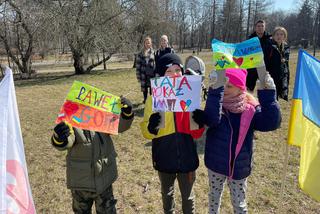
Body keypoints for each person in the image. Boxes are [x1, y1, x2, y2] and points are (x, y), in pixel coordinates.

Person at [192, 67, 281, 213]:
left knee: (239, 203)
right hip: (216, 165)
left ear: (240, 88)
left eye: (229, 86)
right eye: (223, 84)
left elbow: (271, 122)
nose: (224, 89)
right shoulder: (216, 107)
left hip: (239, 167)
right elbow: (212, 120)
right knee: (214, 197)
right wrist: (215, 89)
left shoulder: (251, 109)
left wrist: (269, 93)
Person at [140, 53, 205, 214]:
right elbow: (146, 133)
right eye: (169, 71)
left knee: (188, 197)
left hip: (187, 156)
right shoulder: (153, 98)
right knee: (167, 194)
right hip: (164, 155)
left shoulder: (191, 96)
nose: (175, 74)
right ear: (161, 75)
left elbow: (196, 134)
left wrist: (199, 122)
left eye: (178, 70)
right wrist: (151, 127)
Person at [51, 96, 134, 214]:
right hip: (81, 184)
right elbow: (67, 141)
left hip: (104, 179)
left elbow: (120, 126)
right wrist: (60, 138)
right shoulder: (72, 118)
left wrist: (127, 114)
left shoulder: (103, 116)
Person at [246, 20, 273, 93]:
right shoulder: (250, 39)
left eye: (262, 26)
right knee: (248, 90)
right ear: (255, 28)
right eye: (258, 26)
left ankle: (264, 104)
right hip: (252, 68)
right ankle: (249, 103)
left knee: (265, 89)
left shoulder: (270, 39)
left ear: (265, 27)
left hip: (265, 68)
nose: (260, 28)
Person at [267, 26, 290, 101]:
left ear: (284, 36)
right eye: (277, 34)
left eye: (281, 34)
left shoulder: (286, 47)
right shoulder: (269, 46)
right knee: (272, 95)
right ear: (273, 36)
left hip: (282, 74)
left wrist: (284, 60)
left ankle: (275, 109)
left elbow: (286, 60)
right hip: (271, 74)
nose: (279, 36)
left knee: (278, 93)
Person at [136, 36, 156, 104]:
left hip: (151, 74)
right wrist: (138, 77)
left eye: (149, 43)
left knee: (151, 89)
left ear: (151, 44)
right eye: (146, 43)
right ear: (144, 43)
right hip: (143, 74)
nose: (147, 44)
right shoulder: (140, 53)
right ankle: (145, 100)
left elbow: (155, 63)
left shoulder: (154, 52)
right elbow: (138, 66)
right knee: (144, 89)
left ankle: (151, 101)